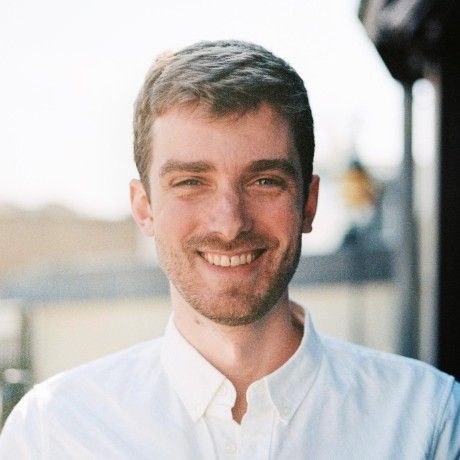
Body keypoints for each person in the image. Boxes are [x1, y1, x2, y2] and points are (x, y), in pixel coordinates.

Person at [0, 40, 459, 459]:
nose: (230, 223)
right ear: (144, 208)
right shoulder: (53, 432)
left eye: (264, 181)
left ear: (308, 203)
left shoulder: (428, 418)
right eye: (191, 182)